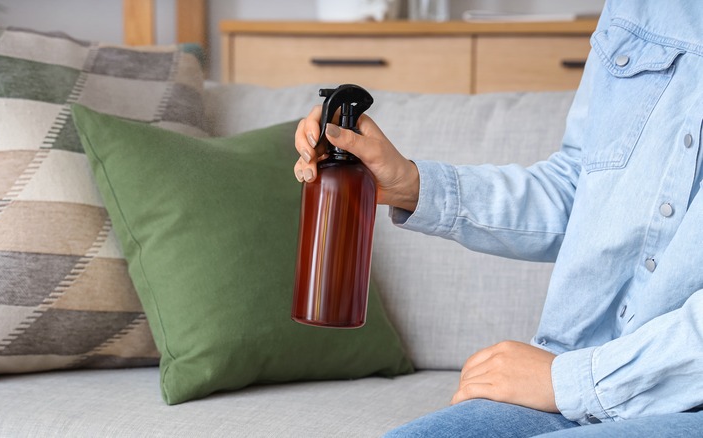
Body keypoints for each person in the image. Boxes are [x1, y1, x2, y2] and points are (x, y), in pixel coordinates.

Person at [294, 1, 703, 436]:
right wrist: (411, 184)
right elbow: (581, 191)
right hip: (572, 386)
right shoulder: (639, 9)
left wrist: (569, 380)